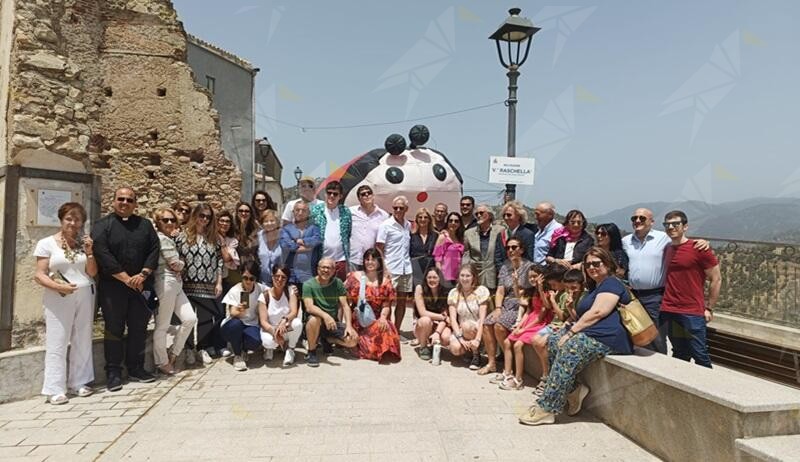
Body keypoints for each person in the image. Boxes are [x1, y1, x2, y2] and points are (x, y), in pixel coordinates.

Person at [518, 247, 633, 426]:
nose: (592, 268)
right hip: (592, 333)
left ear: (608, 264)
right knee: (554, 341)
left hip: (608, 338)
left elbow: (598, 312)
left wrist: (571, 332)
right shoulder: (597, 286)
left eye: (596, 263)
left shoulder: (612, 283)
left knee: (568, 347)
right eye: (588, 265)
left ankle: (547, 408)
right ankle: (574, 391)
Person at [91, 187, 159, 391]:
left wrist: (143, 274)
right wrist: (126, 278)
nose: (125, 202)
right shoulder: (103, 226)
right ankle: (113, 372)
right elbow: (102, 253)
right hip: (113, 288)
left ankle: (136, 368)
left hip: (140, 286)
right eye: (121, 199)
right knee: (114, 329)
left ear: (135, 204)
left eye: (129, 200)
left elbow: (154, 250)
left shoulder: (145, 225)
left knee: (139, 328)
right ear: (113, 201)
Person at [34, 202, 97, 404]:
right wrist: (58, 287)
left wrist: (89, 253)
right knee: (58, 339)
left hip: (85, 292)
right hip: (58, 295)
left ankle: (79, 382)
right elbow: (39, 274)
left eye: (77, 219)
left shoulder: (83, 244)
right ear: (61, 220)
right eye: (69, 218)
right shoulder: (46, 243)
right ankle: (55, 388)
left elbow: (92, 272)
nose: (73, 222)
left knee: (82, 337)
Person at [622, 208, 708, 353]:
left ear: (652, 222)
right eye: (634, 218)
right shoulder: (625, 241)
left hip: (655, 296)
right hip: (632, 296)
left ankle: (659, 366)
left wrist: (703, 242)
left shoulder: (663, 238)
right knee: (635, 332)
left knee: (657, 336)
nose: (637, 221)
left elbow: (682, 241)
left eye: (642, 218)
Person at [660, 211, 721, 368]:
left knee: (699, 354)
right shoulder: (667, 249)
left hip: (692, 312)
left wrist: (709, 307)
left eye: (675, 224)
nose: (671, 227)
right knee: (680, 352)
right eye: (667, 224)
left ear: (685, 226)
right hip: (671, 310)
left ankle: (708, 389)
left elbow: (716, 278)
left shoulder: (699, 248)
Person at [176, 204, 224, 365]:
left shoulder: (214, 238)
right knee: (188, 319)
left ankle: (201, 348)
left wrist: (219, 282)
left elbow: (219, 262)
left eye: (208, 217)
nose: (204, 219)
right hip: (186, 284)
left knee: (205, 318)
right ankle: (189, 349)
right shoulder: (182, 237)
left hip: (207, 285)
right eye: (202, 215)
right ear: (195, 215)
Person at [152, 208, 196, 376]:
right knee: (162, 324)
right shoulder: (162, 239)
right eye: (165, 220)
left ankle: (174, 352)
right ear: (158, 223)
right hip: (166, 281)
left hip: (176, 283)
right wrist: (183, 263)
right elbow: (175, 264)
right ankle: (162, 361)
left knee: (190, 318)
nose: (170, 223)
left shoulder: (169, 239)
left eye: (172, 220)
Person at [481, 238, 533, 376]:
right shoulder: (505, 266)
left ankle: (507, 364)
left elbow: (525, 293)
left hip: (521, 305)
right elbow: (500, 290)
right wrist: (498, 308)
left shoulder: (529, 267)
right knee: (487, 323)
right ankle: (491, 363)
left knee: (499, 325)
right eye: (508, 248)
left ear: (521, 250)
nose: (510, 250)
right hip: (506, 303)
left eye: (514, 247)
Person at [499, 264, 553, 391]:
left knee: (518, 345)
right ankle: (507, 373)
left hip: (539, 323)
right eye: (530, 277)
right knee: (507, 342)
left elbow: (543, 314)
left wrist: (524, 329)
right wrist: (520, 325)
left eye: (535, 276)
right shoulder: (531, 291)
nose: (532, 279)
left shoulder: (545, 292)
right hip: (530, 320)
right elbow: (528, 310)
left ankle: (518, 379)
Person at [531, 268, 583, 394]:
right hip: (556, 325)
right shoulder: (560, 293)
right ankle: (546, 374)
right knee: (535, 340)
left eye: (554, 284)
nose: (553, 287)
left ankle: (547, 376)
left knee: (544, 343)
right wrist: (540, 289)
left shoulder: (568, 295)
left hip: (561, 326)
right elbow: (548, 306)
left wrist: (555, 301)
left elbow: (563, 317)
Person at [345, 249, 402, 361]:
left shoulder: (385, 282)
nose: (370, 262)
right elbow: (344, 300)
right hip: (359, 318)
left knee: (386, 326)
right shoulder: (355, 277)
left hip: (376, 317)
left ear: (379, 262)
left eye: (373, 259)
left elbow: (386, 305)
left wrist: (383, 318)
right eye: (367, 259)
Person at [303, 258, 359, 367]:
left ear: (334, 271)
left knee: (353, 340)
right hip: (315, 324)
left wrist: (348, 326)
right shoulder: (308, 284)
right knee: (315, 319)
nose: (325, 270)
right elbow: (309, 307)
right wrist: (326, 316)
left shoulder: (337, 283)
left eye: (329, 268)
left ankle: (327, 340)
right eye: (323, 267)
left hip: (332, 324)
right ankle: (312, 351)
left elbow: (345, 306)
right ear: (318, 269)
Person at [220, 261, 267, 371]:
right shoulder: (235, 290)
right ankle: (237, 355)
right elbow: (232, 312)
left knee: (256, 341)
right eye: (245, 278)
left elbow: (274, 290)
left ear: (256, 279)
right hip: (232, 325)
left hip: (251, 324)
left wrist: (291, 289)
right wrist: (239, 311)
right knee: (236, 324)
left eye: (252, 278)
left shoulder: (260, 288)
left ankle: (243, 349)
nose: (248, 281)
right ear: (241, 276)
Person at [376, 196, 413, 332]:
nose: (397, 210)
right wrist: (385, 269)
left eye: (401, 208)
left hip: (406, 268)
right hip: (391, 268)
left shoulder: (408, 225)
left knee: (402, 301)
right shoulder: (385, 225)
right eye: (395, 207)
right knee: (388, 302)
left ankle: (396, 331)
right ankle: (388, 331)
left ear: (406, 209)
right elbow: (379, 248)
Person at [258, 264, 303, 366]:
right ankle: (270, 348)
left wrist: (284, 320)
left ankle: (290, 349)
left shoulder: (290, 291)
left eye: (283, 277)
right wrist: (275, 333)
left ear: (287, 279)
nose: (279, 279)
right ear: (272, 277)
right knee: (268, 342)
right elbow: (263, 321)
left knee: (297, 323)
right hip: (271, 329)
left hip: (285, 327)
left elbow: (293, 312)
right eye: (277, 276)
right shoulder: (264, 296)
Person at [447, 263, 490, 370]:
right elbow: (453, 319)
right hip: (462, 330)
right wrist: (461, 339)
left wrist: (478, 340)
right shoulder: (454, 293)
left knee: (467, 325)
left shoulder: (481, 291)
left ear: (474, 277)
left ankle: (476, 354)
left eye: (468, 276)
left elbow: (482, 318)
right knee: (455, 348)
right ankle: (468, 351)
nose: (464, 279)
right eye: (462, 275)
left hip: (478, 328)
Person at [310, 180, 352, 281]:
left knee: (340, 293)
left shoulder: (345, 212)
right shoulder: (316, 211)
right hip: (322, 261)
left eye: (335, 194)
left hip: (340, 261)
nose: (332, 196)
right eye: (329, 193)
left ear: (340, 196)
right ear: (325, 194)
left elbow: (348, 233)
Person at [279, 201, 322, 289]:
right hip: (291, 274)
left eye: (304, 210)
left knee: (307, 301)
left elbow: (317, 240)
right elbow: (285, 245)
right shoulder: (286, 229)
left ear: (309, 213)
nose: (300, 213)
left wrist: (302, 241)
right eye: (297, 210)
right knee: (292, 300)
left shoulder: (314, 228)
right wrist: (308, 248)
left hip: (309, 273)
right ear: (293, 212)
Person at [462, 204, 503, 292]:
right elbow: (466, 255)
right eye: (476, 214)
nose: (478, 216)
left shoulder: (500, 230)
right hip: (476, 275)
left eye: (481, 213)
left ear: (489, 215)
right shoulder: (468, 233)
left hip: (494, 275)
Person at [413, 266, 452, 360]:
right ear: (425, 278)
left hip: (439, 324)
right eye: (429, 277)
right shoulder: (420, 288)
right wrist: (442, 317)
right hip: (422, 324)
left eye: (435, 277)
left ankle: (434, 342)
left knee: (446, 337)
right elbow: (422, 312)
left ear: (440, 279)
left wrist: (438, 332)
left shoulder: (445, 291)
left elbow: (445, 317)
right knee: (425, 320)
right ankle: (423, 346)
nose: (432, 280)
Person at [348, 185, 389, 272]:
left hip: (371, 260)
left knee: (369, 285)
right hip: (353, 259)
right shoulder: (350, 212)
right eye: (363, 194)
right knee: (352, 285)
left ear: (373, 196)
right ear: (359, 199)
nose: (366, 195)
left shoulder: (384, 215)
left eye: (369, 193)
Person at [495, 200, 536, 269]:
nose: (506, 218)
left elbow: (528, 258)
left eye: (509, 215)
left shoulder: (528, 234)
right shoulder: (501, 235)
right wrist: (504, 272)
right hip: (504, 275)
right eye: (504, 215)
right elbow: (497, 258)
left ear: (518, 216)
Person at [433, 212, 466, 288]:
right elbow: (437, 259)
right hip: (445, 276)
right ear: (447, 223)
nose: (453, 223)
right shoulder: (443, 237)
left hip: (459, 276)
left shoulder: (461, 238)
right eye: (450, 221)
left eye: (456, 221)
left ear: (460, 223)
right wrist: (440, 277)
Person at [410, 208, 437, 290]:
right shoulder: (411, 236)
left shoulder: (435, 236)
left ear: (429, 220)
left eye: (425, 217)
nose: (423, 219)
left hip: (430, 270)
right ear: (417, 220)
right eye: (420, 217)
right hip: (415, 270)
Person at [256, 209, 282, 285]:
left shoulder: (284, 236)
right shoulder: (258, 236)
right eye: (266, 221)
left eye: (272, 220)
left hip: (280, 282)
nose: (269, 223)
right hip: (262, 282)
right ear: (262, 223)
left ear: (277, 222)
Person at [216, 210, 240, 294]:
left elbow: (226, 258)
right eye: (222, 221)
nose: (224, 223)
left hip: (223, 278)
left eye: (227, 221)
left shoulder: (232, 241)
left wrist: (222, 240)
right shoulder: (209, 237)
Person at [233, 201, 259, 267]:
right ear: (237, 213)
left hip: (251, 267)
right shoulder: (232, 229)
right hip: (235, 268)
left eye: (247, 211)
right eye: (241, 211)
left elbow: (249, 249)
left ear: (251, 214)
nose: (243, 213)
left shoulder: (256, 230)